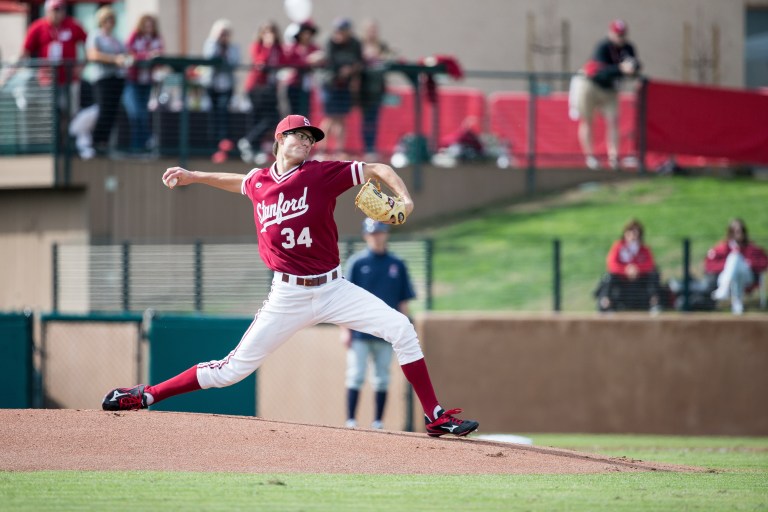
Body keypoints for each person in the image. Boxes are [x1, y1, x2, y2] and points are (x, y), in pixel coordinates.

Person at [101, 114, 479, 439]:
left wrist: (406, 199)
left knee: (401, 328)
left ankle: (435, 416)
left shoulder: (321, 174)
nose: (306, 141)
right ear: (279, 139)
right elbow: (239, 182)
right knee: (231, 371)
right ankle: (146, 394)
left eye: (310, 138)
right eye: (299, 135)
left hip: (333, 288)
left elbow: (379, 169)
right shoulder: (259, 181)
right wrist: (193, 175)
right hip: (287, 296)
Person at [342, 219, 416, 430]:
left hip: (386, 333)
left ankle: (378, 422)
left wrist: (403, 329)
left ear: (386, 234)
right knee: (355, 375)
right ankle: (351, 421)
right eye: (373, 233)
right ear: (366, 235)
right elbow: (344, 299)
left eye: (380, 232)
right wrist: (345, 330)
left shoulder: (397, 264)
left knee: (382, 378)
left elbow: (404, 300)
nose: (377, 236)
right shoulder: (357, 262)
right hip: (359, 332)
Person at [573, 19, 640, 170]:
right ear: (611, 33)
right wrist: (621, 69)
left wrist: (633, 68)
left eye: (622, 35)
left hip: (610, 90)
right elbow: (601, 72)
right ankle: (590, 157)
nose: (620, 38)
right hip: (591, 85)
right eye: (617, 35)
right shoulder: (603, 47)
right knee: (588, 121)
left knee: (613, 121)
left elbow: (635, 65)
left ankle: (614, 158)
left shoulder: (628, 48)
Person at [19, 0, 87, 116]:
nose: (57, 13)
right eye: (54, 10)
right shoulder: (38, 27)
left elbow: (89, 45)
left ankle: (66, 134)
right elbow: (25, 52)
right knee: (50, 115)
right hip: (47, 80)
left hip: (69, 79)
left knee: (70, 113)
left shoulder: (73, 25)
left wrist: (82, 65)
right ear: (47, 11)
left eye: (59, 10)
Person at [85, 5, 131, 154]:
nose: (109, 22)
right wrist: (113, 59)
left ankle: (105, 143)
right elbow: (92, 55)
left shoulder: (116, 39)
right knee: (103, 110)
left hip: (117, 79)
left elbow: (126, 54)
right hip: (102, 78)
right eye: (107, 19)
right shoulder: (96, 35)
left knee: (112, 112)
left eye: (111, 19)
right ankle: (95, 142)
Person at [238, 22, 285, 166]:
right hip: (257, 88)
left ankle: (250, 142)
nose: (269, 35)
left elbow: (284, 61)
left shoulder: (279, 49)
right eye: (266, 32)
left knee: (273, 118)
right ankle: (251, 145)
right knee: (259, 118)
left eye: (271, 32)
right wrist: (268, 46)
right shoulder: (257, 46)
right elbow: (260, 62)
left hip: (270, 90)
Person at [317, 18, 363, 158]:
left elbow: (359, 62)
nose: (340, 34)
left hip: (345, 86)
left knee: (342, 118)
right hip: (330, 85)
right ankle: (322, 151)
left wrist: (351, 70)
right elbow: (328, 63)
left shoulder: (355, 43)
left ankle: (339, 151)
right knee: (330, 118)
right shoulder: (330, 42)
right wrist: (340, 71)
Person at [595, 218, 661, 312]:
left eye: (635, 232)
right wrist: (626, 270)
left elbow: (650, 264)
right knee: (609, 277)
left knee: (653, 276)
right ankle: (605, 303)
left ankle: (654, 303)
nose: (632, 235)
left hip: (639, 280)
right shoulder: (618, 247)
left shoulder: (644, 249)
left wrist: (637, 269)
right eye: (630, 232)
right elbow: (611, 264)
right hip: (622, 280)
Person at [705, 218, 768, 315]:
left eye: (740, 231)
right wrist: (727, 266)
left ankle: (724, 290)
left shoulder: (751, 248)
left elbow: (764, 262)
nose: (738, 234)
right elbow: (709, 264)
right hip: (725, 276)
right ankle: (737, 303)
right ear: (730, 232)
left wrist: (749, 263)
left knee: (735, 258)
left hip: (748, 277)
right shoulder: (723, 247)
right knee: (733, 259)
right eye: (735, 231)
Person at [123, 14, 164, 153]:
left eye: (151, 25)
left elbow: (160, 54)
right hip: (133, 81)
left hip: (147, 82)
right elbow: (129, 53)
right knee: (135, 113)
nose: (148, 27)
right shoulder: (135, 36)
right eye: (146, 25)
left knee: (143, 114)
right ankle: (140, 144)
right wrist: (146, 56)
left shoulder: (156, 39)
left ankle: (142, 145)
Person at [202, 19, 240, 147]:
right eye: (221, 33)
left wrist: (224, 59)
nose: (223, 36)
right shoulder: (211, 44)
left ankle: (222, 142)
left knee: (223, 111)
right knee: (212, 113)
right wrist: (216, 43)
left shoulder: (232, 48)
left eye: (226, 33)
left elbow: (233, 63)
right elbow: (210, 58)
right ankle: (211, 142)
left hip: (226, 86)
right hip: (212, 84)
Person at [358, 19, 393, 161]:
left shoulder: (381, 46)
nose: (372, 32)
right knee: (367, 120)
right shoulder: (360, 45)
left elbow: (388, 59)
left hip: (378, 89)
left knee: (374, 119)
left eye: (374, 30)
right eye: (369, 30)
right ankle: (367, 147)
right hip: (364, 89)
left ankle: (371, 147)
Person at [283, 20, 323, 118]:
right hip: (294, 84)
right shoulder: (293, 48)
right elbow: (289, 62)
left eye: (309, 33)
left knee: (306, 112)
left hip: (307, 85)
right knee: (293, 112)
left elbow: (322, 60)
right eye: (305, 32)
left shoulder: (313, 48)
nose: (307, 35)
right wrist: (308, 60)